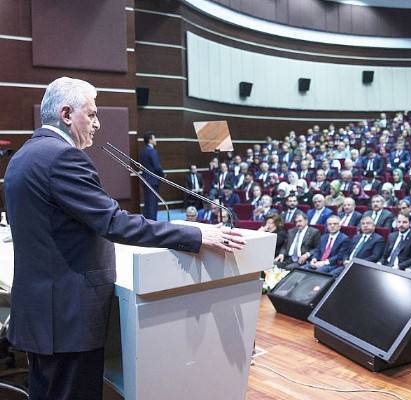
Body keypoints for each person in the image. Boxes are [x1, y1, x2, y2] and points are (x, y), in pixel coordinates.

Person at [3, 77, 245, 400]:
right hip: (66, 319)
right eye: (91, 114)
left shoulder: (24, 156)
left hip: (42, 316)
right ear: (65, 114)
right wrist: (195, 233)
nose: (97, 124)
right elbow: (115, 223)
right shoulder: (63, 158)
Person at [139, 131, 164, 220]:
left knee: (147, 203)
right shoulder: (152, 151)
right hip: (153, 181)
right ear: (150, 140)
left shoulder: (142, 152)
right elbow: (157, 167)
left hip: (145, 180)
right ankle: (153, 223)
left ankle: (147, 222)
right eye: (154, 138)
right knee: (153, 203)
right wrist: (163, 175)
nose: (155, 140)